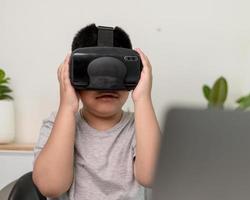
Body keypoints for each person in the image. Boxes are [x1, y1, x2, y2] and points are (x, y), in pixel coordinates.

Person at [32, 24, 161, 200]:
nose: (106, 82)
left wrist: (143, 98)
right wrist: (67, 106)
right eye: (95, 71)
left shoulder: (140, 127)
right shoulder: (57, 124)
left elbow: (152, 177)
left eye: (115, 71)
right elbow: (51, 186)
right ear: (72, 75)